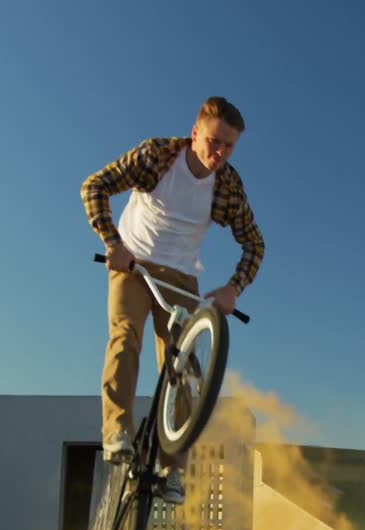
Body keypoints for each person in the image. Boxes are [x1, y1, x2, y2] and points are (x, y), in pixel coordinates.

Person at [80, 96, 264, 504]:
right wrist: (112, 242)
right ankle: (117, 432)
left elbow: (254, 243)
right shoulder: (156, 155)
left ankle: (173, 467)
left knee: (183, 367)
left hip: (181, 278)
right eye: (214, 141)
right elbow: (94, 187)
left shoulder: (228, 186)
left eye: (229, 146)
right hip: (133, 264)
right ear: (195, 133)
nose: (220, 153)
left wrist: (233, 288)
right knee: (126, 337)